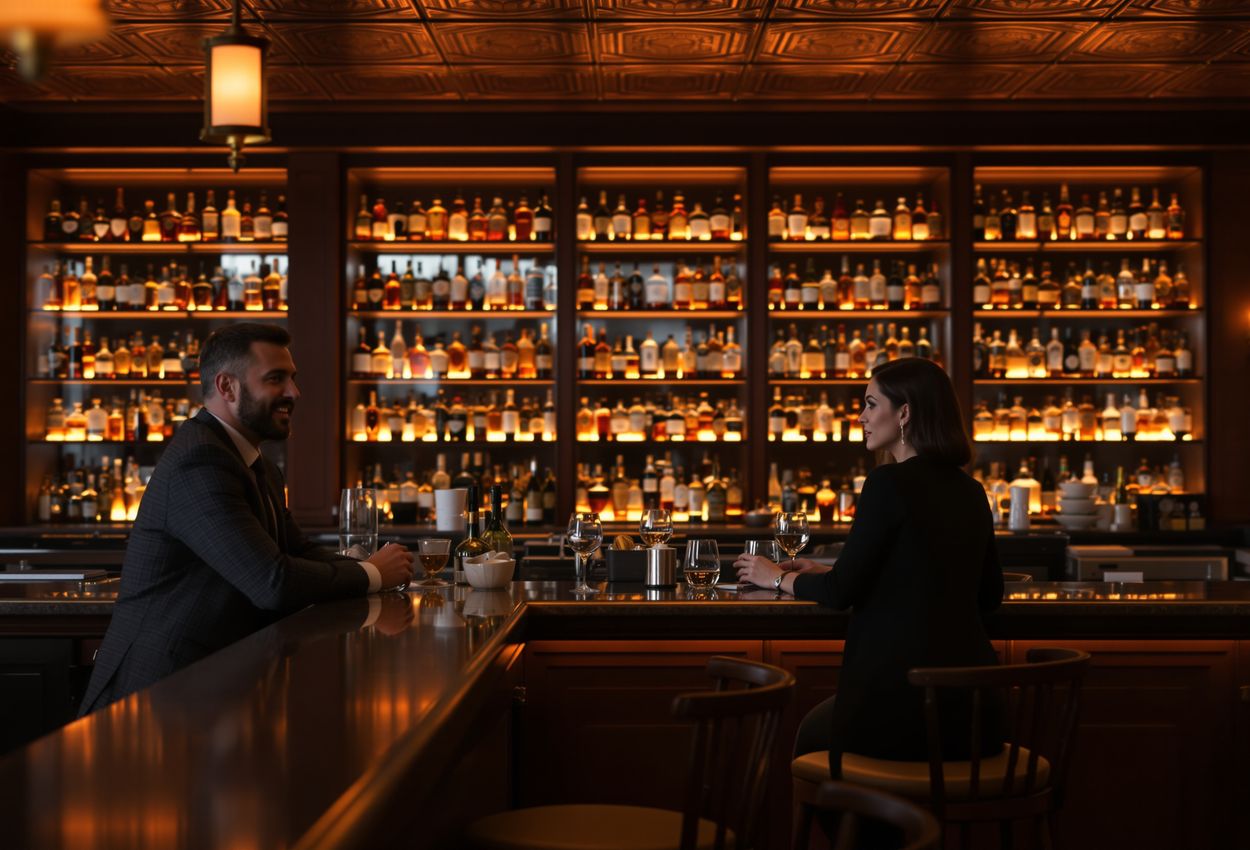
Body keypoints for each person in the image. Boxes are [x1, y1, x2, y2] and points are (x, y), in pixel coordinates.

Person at [80, 323, 414, 715]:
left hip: (209, 689)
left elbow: (298, 550)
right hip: (154, 698)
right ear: (227, 387)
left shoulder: (256, 465)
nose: (294, 392)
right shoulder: (199, 461)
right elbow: (271, 581)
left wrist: (371, 570)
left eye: (292, 378)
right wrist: (372, 574)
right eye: (276, 379)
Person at [735, 356, 1004, 769]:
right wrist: (828, 572)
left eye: (871, 404)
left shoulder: (887, 482)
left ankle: (887, 832)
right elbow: (988, 594)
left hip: (904, 706)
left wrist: (775, 579)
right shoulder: (972, 491)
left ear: (904, 413)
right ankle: (913, 830)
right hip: (973, 711)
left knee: (809, 739)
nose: (861, 416)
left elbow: (841, 594)